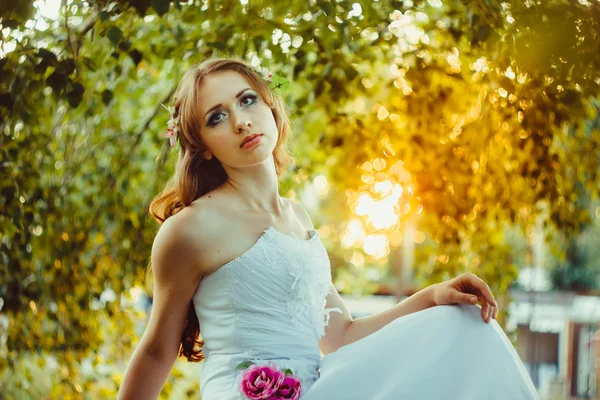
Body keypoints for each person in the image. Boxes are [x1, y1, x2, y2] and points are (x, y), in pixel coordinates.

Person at [117, 56, 540, 400]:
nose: (241, 121)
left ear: (271, 107)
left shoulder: (297, 217)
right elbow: (157, 351)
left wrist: (431, 297)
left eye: (247, 101)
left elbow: (341, 335)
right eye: (216, 117)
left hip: (319, 387)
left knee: (462, 324)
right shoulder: (188, 230)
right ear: (203, 148)